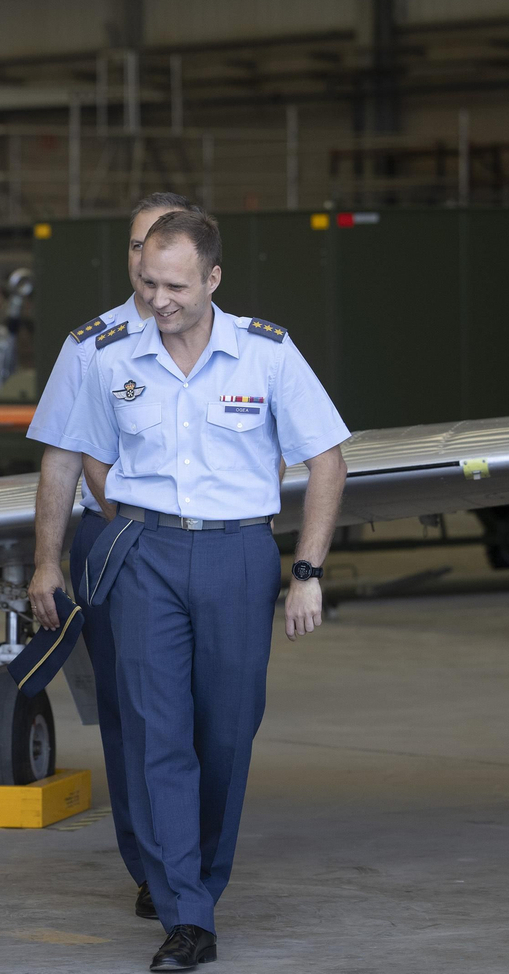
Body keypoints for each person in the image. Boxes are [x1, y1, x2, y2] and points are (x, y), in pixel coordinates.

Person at [57, 210, 347, 971]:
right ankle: (186, 909)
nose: (159, 299)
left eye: (177, 286)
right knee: (159, 734)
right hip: (146, 552)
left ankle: (199, 879)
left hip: (238, 554)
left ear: (213, 279)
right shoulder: (111, 356)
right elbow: (87, 450)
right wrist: (126, 518)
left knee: (226, 731)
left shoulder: (266, 355)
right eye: (148, 282)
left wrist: (307, 571)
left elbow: (328, 460)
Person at [26, 191, 201, 922]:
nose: (144, 264)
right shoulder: (89, 345)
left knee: (209, 713)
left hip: (205, 544)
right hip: (119, 542)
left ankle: (197, 854)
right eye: (135, 248)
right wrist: (47, 560)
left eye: (159, 249)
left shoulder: (227, 338)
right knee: (133, 715)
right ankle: (152, 867)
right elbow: (59, 462)